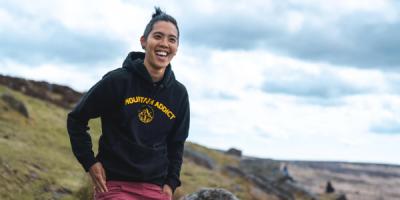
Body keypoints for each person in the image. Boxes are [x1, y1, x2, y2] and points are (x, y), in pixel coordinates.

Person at [67, 7, 190, 200]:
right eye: (158, 36)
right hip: (114, 186)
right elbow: (76, 119)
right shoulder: (117, 81)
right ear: (143, 41)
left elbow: (176, 144)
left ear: (176, 47)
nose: (164, 44)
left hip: (156, 189)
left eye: (171, 39)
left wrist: (170, 184)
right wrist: (89, 162)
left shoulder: (179, 94)